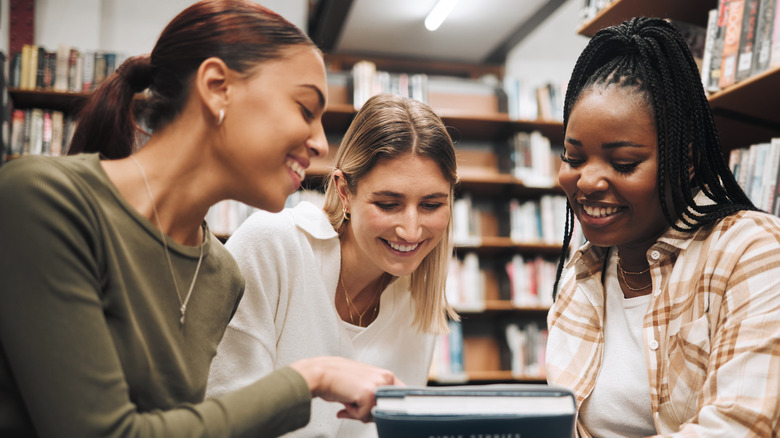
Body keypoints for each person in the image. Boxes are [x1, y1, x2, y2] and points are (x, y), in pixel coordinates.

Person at [0, 1, 403, 437]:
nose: (321, 143)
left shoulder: (222, 274)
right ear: (216, 87)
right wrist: (311, 380)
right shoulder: (43, 199)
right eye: (306, 109)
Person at [546, 16, 780, 437]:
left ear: (685, 162)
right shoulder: (580, 275)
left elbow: (739, 427)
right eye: (573, 158)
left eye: (623, 164)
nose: (586, 181)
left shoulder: (751, 251)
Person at [207, 93, 459, 437]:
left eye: (431, 205)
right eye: (388, 204)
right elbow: (220, 414)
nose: (411, 230)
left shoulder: (419, 304)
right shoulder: (274, 245)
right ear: (344, 191)